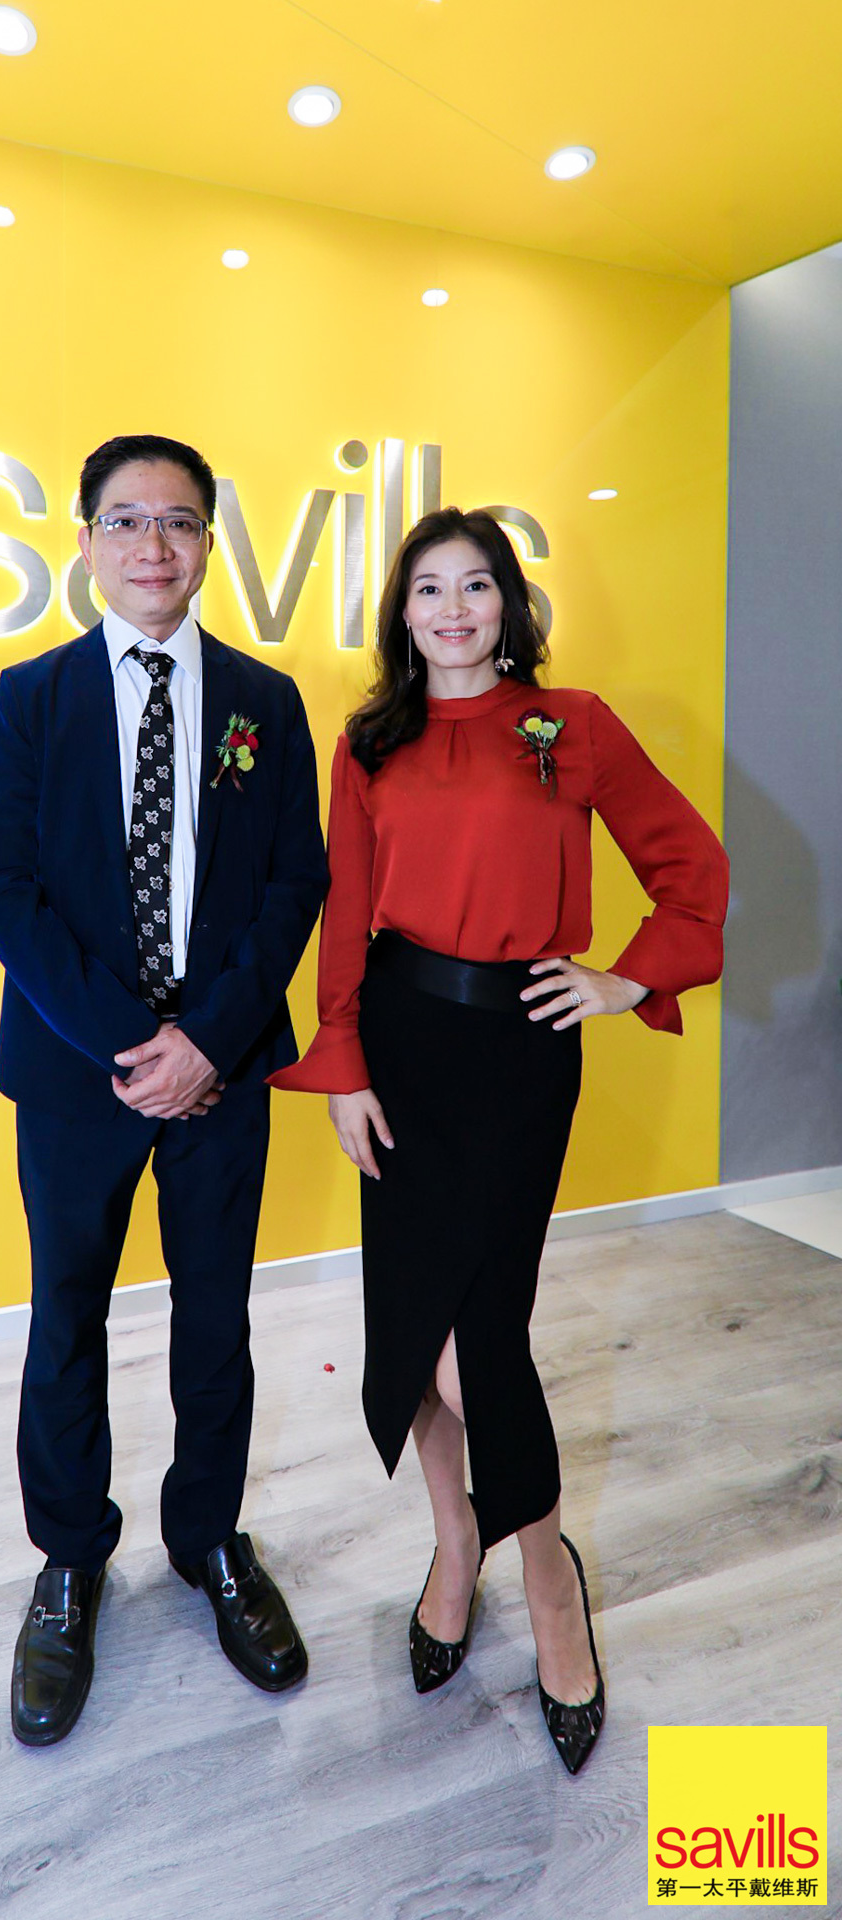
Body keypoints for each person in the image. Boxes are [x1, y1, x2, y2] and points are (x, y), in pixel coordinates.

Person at [270, 507, 728, 1774]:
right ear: (401, 614)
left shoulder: (568, 726)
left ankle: (544, 1575)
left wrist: (625, 978)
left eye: (475, 585)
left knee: (483, 1341)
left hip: (519, 1058)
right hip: (401, 1052)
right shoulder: (367, 743)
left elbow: (688, 866)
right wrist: (342, 1064)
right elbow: (346, 918)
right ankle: (454, 1540)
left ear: (508, 606)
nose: (453, 609)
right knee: (415, 1323)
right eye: (428, 589)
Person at [0, 433, 328, 1745]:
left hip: (220, 1075)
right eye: (124, 520)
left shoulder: (263, 702)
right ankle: (69, 1559)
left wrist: (206, 1045)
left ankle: (209, 1540)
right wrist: (137, 1046)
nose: (151, 545)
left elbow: (294, 882)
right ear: (83, 543)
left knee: (214, 1316)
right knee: (65, 1315)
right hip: (80, 1075)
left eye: (177, 521)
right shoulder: (31, 697)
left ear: (208, 545)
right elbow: (3, 892)